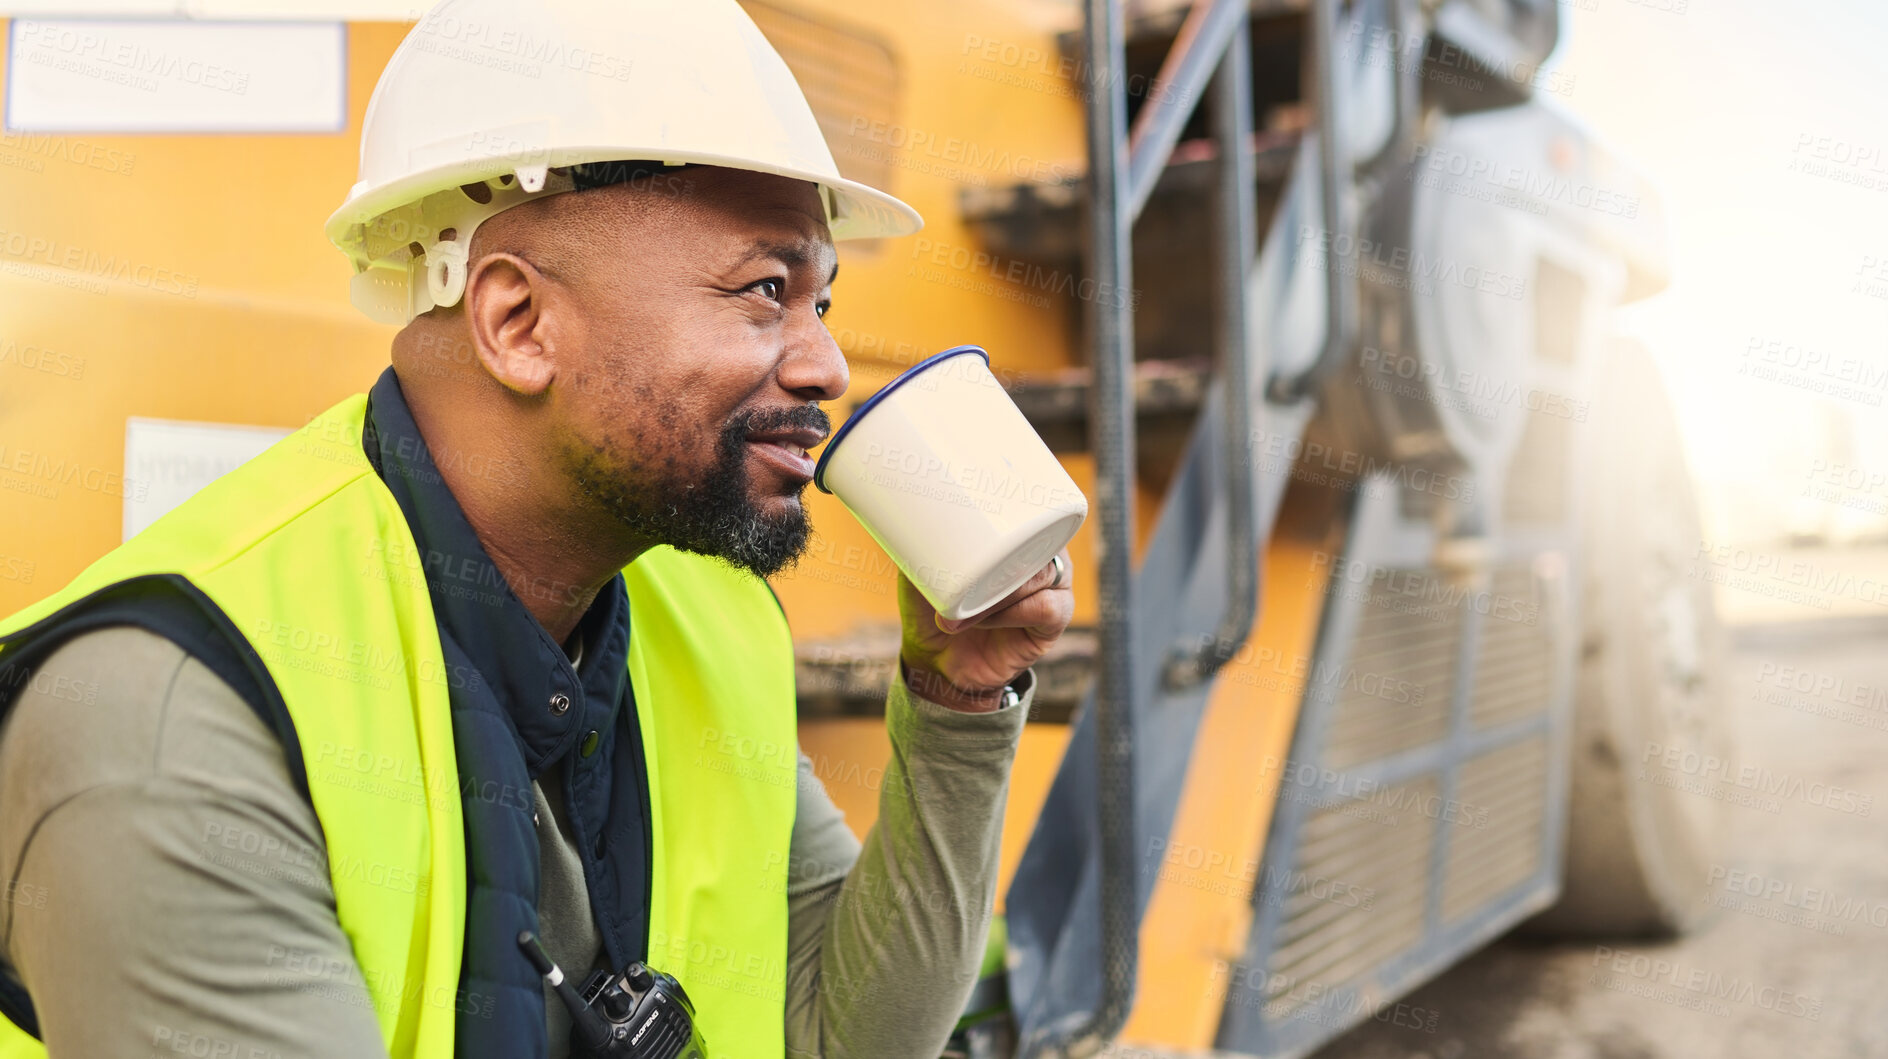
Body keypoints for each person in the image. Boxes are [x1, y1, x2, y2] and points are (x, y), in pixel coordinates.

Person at [0, 1, 1073, 1056]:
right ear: (517, 323)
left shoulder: (704, 619)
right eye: (763, 290)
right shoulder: (173, 715)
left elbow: (839, 1034)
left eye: (821, 304)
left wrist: (956, 694)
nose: (827, 366)